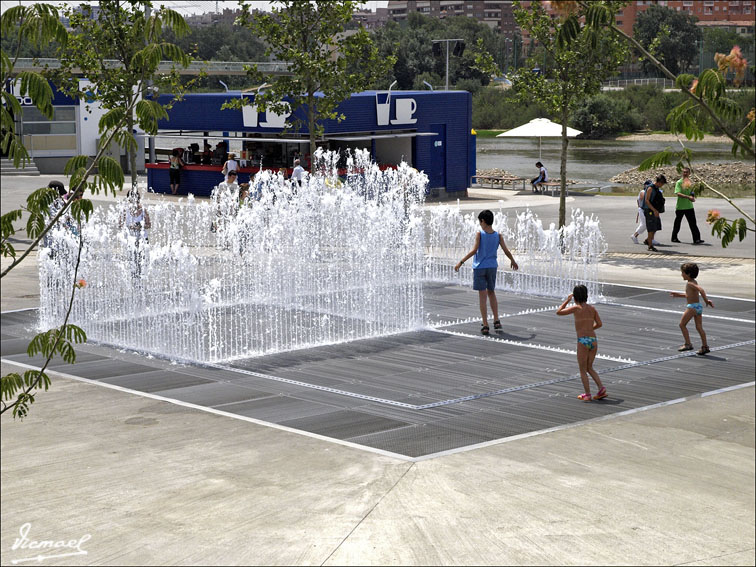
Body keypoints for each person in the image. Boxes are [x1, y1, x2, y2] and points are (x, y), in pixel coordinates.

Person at [454, 209, 519, 335]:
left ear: (483, 221)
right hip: (492, 267)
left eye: (480, 222)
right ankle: (496, 320)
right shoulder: (498, 235)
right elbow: (506, 250)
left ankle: (485, 324)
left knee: (482, 296)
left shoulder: (480, 234)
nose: (479, 224)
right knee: (491, 293)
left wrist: (461, 262)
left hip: (480, 267)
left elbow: (474, 250)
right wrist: (513, 260)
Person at [556, 284, 607, 402]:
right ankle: (601, 388)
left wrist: (567, 300)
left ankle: (588, 394)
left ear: (575, 297)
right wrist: (589, 329)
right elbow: (599, 324)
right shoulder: (592, 309)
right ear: (586, 296)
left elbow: (559, 312)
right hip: (593, 340)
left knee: (582, 369)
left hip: (583, 341)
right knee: (590, 367)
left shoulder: (576, 308)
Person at [669, 262, 714, 355]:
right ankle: (705, 346)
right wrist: (678, 295)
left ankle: (688, 344)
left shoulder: (690, 284)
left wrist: (706, 300)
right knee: (699, 327)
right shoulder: (694, 282)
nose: (681, 274)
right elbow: (690, 295)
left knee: (682, 325)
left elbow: (701, 289)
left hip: (692, 307)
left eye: (682, 272)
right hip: (698, 307)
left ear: (688, 274)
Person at [119, 190, 151, 278]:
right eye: (132, 199)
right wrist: (129, 227)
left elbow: (148, 225)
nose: (134, 201)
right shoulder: (125, 210)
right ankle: (133, 274)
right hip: (130, 238)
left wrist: (140, 226)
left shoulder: (143, 210)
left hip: (142, 238)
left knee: (140, 258)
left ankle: (139, 274)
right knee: (132, 257)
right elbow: (120, 224)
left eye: (136, 199)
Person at [671, 167, 704, 245]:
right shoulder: (679, 182)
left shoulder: (690, 182)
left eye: (686, 172)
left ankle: (697, 239)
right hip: (680, 207)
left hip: (689, 207)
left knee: (693, 223)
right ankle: (674, 238)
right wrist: (687, 197)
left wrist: (692, 197)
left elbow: (691, 193)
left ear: (689, 173)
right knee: (677, 223)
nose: (685, 173)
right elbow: (678, 193)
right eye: (684, 172)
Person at [630, 180, 659, 246]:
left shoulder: (652, 191)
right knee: (644, 224)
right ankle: (634, 235)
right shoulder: (643, 192)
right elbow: (645, 199)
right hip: (643, 210)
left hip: (650, 210)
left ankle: (651, 239)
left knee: (654, 224)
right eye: (647, 185)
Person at [643, 174, 666, 252]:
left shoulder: (656, 188)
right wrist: (654, 210)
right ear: (659, 182)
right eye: (662, 184)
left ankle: (648, 240)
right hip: (649, 210)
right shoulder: (650, 188)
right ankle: (650, 245)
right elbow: (647, 201)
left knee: (655, 227)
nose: (662, 185)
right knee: (651, 228)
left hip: (654, 210)